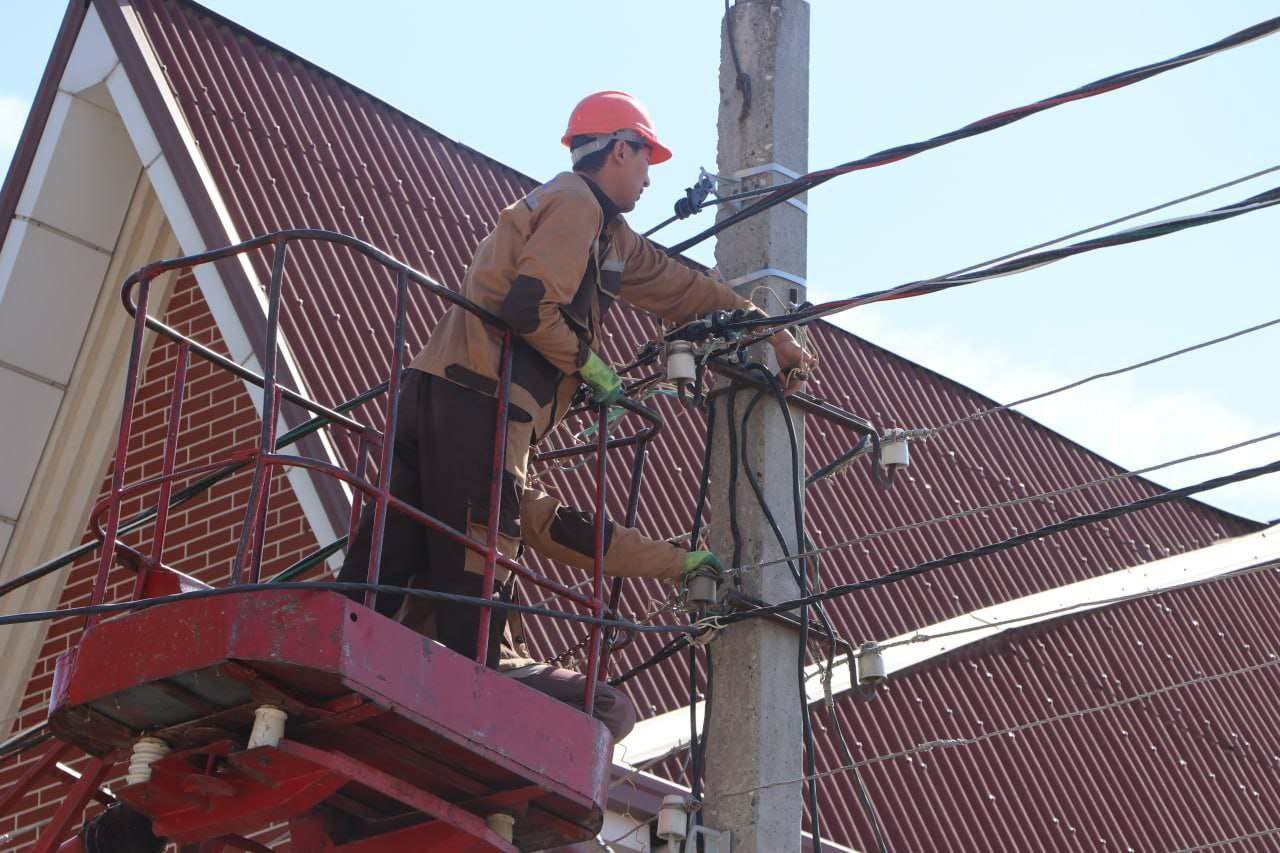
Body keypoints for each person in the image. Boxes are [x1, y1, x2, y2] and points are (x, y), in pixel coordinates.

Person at [338, 91, 816, 740]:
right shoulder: (576, 203)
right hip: (481, 401)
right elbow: (529, 307)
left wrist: (765, 327)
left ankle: (343, 669)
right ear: (620, 148)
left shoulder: (608, 237)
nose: (650, 178)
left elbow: (681, 288)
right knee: (483, 638)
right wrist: (594, 370)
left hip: (443, 398)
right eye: (646, 159)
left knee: (369, 595)